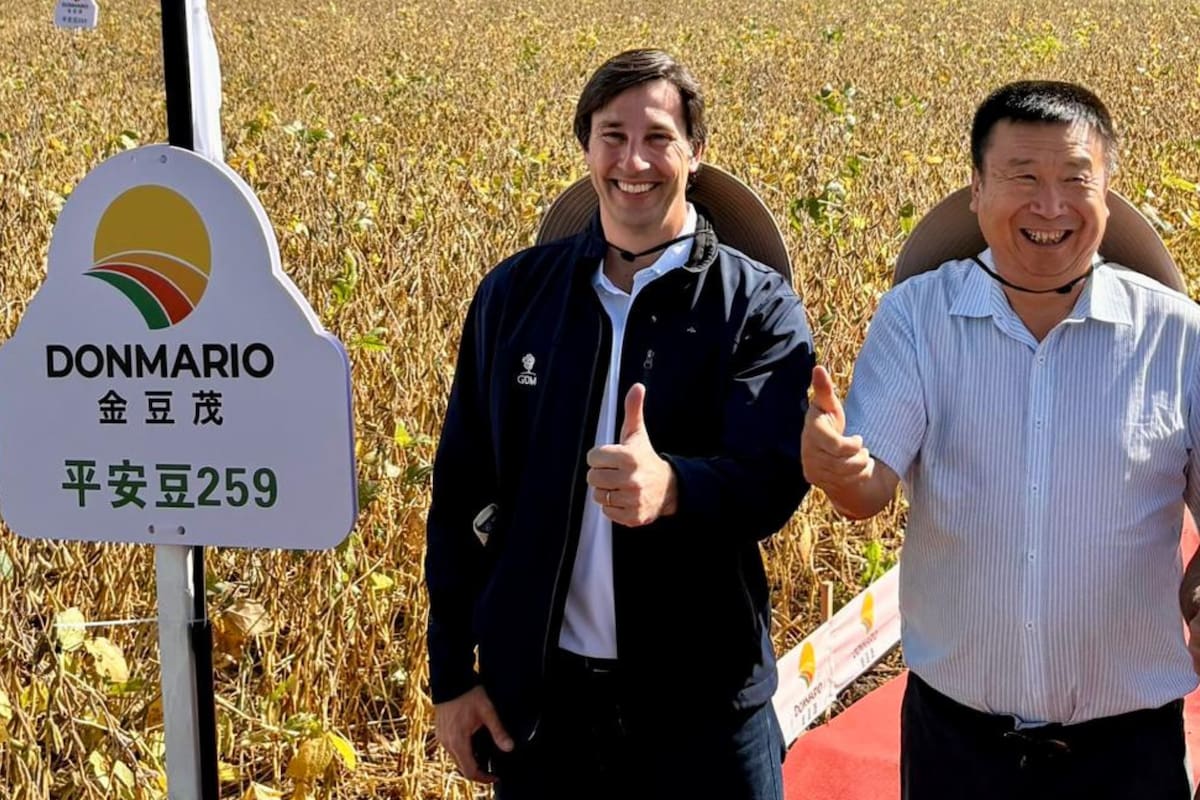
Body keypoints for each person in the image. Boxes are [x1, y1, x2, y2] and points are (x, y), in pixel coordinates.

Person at [424, 49, 815, 800]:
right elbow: (460, 489)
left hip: (704, 708)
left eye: (660, 137)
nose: (634, 160)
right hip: (541, 711)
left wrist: (675, 486)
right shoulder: (514, 297)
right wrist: (452, 677)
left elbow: (774, 482)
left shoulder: (755, 306)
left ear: (697, 154)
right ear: (585, 149)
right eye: (612, 135)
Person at [801, 80, 1200, 799]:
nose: (1050, 207)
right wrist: (834, 467)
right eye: (1023, 178)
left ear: (1108, 191)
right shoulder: (918, 319)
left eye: (1074, 179)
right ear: (976, 189)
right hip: (960, 747)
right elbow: (867, 490)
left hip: (1130, 749)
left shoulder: (1179, 337)